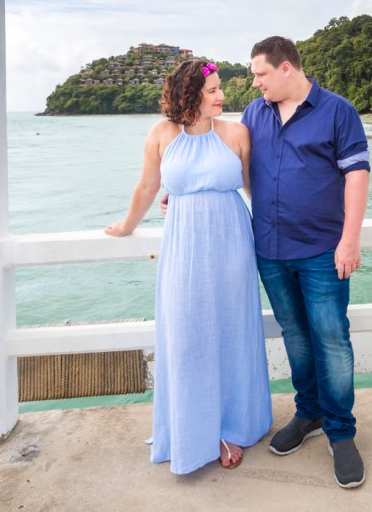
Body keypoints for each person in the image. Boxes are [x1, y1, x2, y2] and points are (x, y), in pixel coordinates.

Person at [105, 59, 271, 473]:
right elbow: (148, 185)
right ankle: (192, 427)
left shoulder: (236, 133)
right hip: (183, 246)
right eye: (213, 90)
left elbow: (254, 187)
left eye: (219, 88)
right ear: (190, 95)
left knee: (232, 331)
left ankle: (231, 425)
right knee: (187, 335)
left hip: (232, 243)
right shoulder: (163, 134)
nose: (222, 96)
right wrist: (127, 225)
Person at [241, 36, 371, 490]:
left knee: (332, 339)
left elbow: (357, 174)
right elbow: (234, 166)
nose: (254, 82)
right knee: (295, 335)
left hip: (322, 250)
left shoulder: (338, 111)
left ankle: (342, 433)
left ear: (286, 69)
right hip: (270, 249)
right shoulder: (254, 114)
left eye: (260, 73)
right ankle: (308, 412)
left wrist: (349, 241)